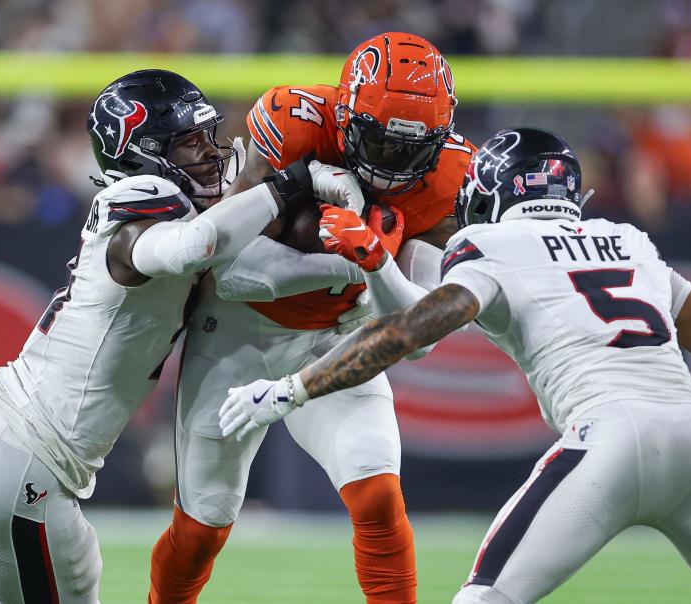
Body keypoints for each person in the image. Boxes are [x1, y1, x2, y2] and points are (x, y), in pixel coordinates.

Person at [220, 127, 691, 604]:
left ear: (492, 195)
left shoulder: (493, 247)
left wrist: (292, 389)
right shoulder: (626, 240)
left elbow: (407, 331)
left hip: (607, 440)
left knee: (485, 598)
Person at [0, 69, 361, 604]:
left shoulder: (177, 208)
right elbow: (190, 247)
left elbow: (255, 270)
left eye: (207, 137)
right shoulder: (145, 196)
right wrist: (285, 185)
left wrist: (362, 266)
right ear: (143, 153)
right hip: (24, 455)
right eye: (191, 143)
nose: (212, 154)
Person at [149, 32, 475, 604]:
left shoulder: (453, 177)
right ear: (346, 118)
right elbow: (228, 270)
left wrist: (373, 260)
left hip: (338, 337)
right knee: (204, 525)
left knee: (377, 495)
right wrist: (350, 264)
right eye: (379, 143)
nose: (390, 167)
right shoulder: (295, 121)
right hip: (240, 328)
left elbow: (417, 334)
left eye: (410, 151)